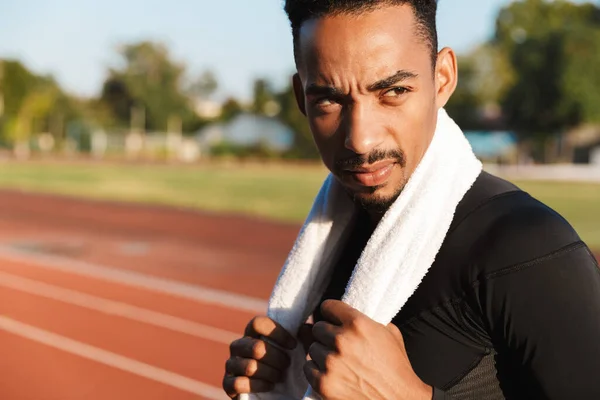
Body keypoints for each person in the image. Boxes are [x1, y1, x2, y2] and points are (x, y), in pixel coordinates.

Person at [222, 1, 600, 399]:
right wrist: (285, 379)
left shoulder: (527, 245)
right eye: (329, 100)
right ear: (301, 97)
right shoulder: (338, 238)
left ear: (442, 78)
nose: (361, 140)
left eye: (394, 91)